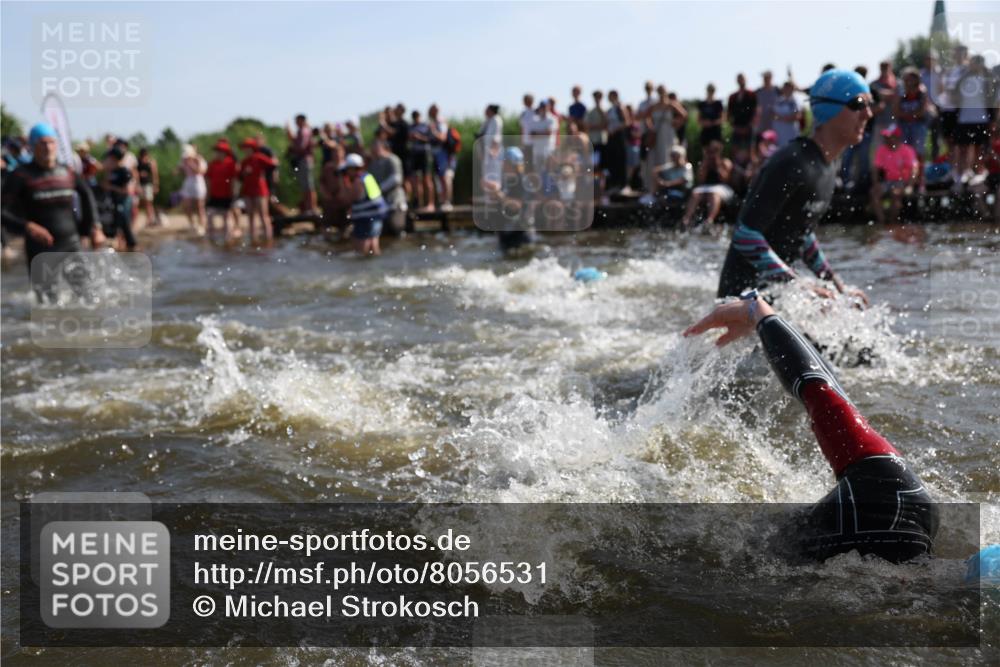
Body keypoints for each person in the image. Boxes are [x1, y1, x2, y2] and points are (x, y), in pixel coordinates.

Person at [684, 295, 937, 564]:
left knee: (747, 549)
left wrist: (757, 311)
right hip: (907, 512)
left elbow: (821, 388)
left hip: (887, 494)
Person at [717, 69, 873, 304]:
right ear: (828, 108)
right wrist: (797, 284)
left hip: (776, 295)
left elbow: (803, 233)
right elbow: (745, 236)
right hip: (742, 302)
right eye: (858, 104)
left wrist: (835, 285)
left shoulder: (828, 166)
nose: (868, 114)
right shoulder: (792, 161)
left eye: (870, 104)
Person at [1, 123, 104, 301]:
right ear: (32, 146)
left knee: (90, 298)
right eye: (42, 143)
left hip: (71, 244)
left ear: (57, 144)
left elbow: (87, 195)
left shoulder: (67, 173)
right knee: (47, 304)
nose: (48, 147)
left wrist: (95, 227)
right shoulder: (21, 176)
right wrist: (27, 226)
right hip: (40, 249)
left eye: (51, 142)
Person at [954, 55, 996, 184]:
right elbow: (956, 96)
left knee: (979, 147)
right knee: (963, 148)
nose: (972, 66)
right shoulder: (963, 78)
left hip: (981, 118)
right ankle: (963, 172)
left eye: (975, 63)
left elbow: (992, 101)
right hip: (964, 118)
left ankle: (978, 172)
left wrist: (992, 119)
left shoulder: (988, 79)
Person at [839, 66, 880, 191]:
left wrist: (864, 112)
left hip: (866, 131)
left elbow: (879, 105)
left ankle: (862, 184)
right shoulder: (850, 91)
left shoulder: (871, 90)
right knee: (847, 157)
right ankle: (844, 183)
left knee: (863, 159)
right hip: (851, 130)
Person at [642, 85, 687, 194]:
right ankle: (653, 187)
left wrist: (676, 124)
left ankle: (668, 186)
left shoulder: (671, 104)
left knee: (668, 157)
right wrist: (651, 127)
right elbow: (646, 116)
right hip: (657, 135)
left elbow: (684, 115)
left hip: (668, 134)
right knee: (655, 158)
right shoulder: (655, 105)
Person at [870, 124, 918, 224]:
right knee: (874, 193)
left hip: (902, 182)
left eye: (888, 136)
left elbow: (914, 170)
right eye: (885, 137)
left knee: (895, 195)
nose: (886, 139)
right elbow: (876, 169)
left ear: (896, 137)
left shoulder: (907, 150)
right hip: (887, 181)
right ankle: (882, 222)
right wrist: (876, 183)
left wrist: (909, 186)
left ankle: (892, 222)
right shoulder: (881, 150)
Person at [341, 153, 387, 256]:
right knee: (374, 241)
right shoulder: (367, 177)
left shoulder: (358, 181)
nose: (346, 173)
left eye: (347, 170)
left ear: (353, 169)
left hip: (366, 216)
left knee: (363, 245)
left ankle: (362, 269)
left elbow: (349, 198)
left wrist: (344, 183)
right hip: (377, 214)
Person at [681, 140, 733, 229]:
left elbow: (726, 179)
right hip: (706, 186)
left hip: (721, 187)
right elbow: (701, 180)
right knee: (695, 194)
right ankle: (687, 219)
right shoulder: (704, 163)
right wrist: (705, 164)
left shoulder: (725, 162)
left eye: (714, 152)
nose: (712, 154)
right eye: (710, 152)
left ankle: (709, 220)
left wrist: (718, 165)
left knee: (713, 194)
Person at [894, 67, 929, 193]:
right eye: (907, 78)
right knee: (905, 154)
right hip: (904, 126)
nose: (909, 81)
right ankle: (907, 181)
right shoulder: (901, 92)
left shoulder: (921, 91)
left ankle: (921, 182)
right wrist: (911, 115)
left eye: (911, 78)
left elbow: (922, 111)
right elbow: (896, 110)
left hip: (918, 126)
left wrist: (908, 115)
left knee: (919, 154)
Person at [238, 137, 277, 243]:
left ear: (252, 148)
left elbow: (273, 165)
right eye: (245, 148)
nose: (246, 150)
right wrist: (244, 173)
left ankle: (269, 238)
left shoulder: (259, 157)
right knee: (250, 215)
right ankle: (253, 238)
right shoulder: (244, 161)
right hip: (248, 189)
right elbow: (240, 176)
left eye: (248, 148)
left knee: (263, 214)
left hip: (260, 189)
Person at [368, 139, 407, 235]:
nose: (373, 151)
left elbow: (397, 179)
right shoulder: (373, 164)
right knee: (384, 233)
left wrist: (378, 189)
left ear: (382, 148)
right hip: (381, 204)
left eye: (375, 148)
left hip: (396, 202)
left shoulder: (392, 159)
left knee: (397, 229)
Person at [205, 139, 239, 242]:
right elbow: (208, 179)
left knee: (226, 216)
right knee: (210, 215)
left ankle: (227, 238)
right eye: (216, 151)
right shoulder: (212, 164)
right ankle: (211, 237)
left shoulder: (231, 163)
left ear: (224, 152)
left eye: (219, 151)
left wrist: (233, 193)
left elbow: (234, 180)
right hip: (214, 194)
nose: (217, 153)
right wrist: (208, 193)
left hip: (227, 195)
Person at [103, 148, 137, 250]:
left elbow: (128, 190)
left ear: (114, 158)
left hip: (123, 202)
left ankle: (131, 247)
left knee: (125, 226)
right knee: (115, 226)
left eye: (109, 158)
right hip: (114, 202)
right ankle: (120, 246)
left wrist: (111, 187)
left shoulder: (124, 171)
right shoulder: (112, 171)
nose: (107, 160)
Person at [285, 114, 317, 215]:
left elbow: (301, 147)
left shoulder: (304, 131)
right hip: (304, 161)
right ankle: (308, 208)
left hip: (304, 161)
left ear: (301, 120)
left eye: (297, 120)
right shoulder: (304, 131)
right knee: (305, 185)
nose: (295, 123)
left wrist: (291, 147)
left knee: (308, 186)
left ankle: (311, 208)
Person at [428, 104, 455, 212]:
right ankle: (442, 201)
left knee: (445, 178)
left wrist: (433, 131)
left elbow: (442, 137)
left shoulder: (440, 121)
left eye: (430, 110)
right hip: (436, 154)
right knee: (440, 178)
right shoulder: (434, 122)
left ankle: (447, 202)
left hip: (443, 154)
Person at [728, 73, 758, 163]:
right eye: (739, 79)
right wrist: (734, 126)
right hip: (737, 128)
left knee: (750, 152)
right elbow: (729, 114)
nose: (741, 81)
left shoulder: (752, 95)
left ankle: (751, 174)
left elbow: (756, 111)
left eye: (742, 79)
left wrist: (749, 126)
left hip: (749, 128)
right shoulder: (733, 97)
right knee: (735, 152)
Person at [178, 143, 207, 234]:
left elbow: (200, 171)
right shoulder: (183, 160)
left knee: (199, 206)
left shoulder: (199, 159)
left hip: (198, 182)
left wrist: (190, 164)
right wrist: (180, 167)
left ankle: (202, 226)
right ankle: (192, 224)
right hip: (188, 182)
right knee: (186, 205)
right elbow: (177, 171)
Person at [605, 90, 631, 191]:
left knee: (621, 159)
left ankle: (623, 184)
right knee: (613, 160)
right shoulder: (610, 109)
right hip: (612, 137)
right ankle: (614, 183)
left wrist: (615, 129)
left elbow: (626, 122)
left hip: (619, 136)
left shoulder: (620, 107)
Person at [585, 91, 608, 193]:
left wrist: (597, 126)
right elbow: (588, 126)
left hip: (602, 143)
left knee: (602, 168)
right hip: (593, 143)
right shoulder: (590, 111)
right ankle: (594, 189)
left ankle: (602, 191)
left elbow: (606, 124)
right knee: (594, 166)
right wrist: (599, 126)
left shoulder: (604, 110)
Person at [529, 100, 557, 173]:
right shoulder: (535, 119)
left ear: (548, 107)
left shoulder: (552, 119)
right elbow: (531, 135)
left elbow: (549, 133)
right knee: (537, 173)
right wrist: (543, 133)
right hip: (537, 151)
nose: (543, 108)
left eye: (545, 107)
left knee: (549, 172)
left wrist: (537, 133)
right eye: (542, 107)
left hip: (548, 150)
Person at [772, 81, 802, 148]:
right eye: (785, 87)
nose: (787, 90)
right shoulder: (778, 100)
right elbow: (773, 114)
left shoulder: (795, 101)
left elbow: (797, 115)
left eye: (789, 88)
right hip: (778, 134)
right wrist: (784, 118)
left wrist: (782, 118)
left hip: (791, 134)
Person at [136, 147, 160, 228]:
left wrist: (155, 185)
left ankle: (150, 220)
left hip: (148, 184)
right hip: (140, 184)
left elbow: (155, 174)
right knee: (141, 203)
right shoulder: (138, 162)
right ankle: (148, 219)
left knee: (148, 202)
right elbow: (135, 172)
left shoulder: (151, 162)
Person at [754, 70, 780, 136]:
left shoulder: (777, 90)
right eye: (764, 77)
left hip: (774, 122)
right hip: (761, 122)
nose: (765, 79)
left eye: (767, 77)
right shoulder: (758, 91)